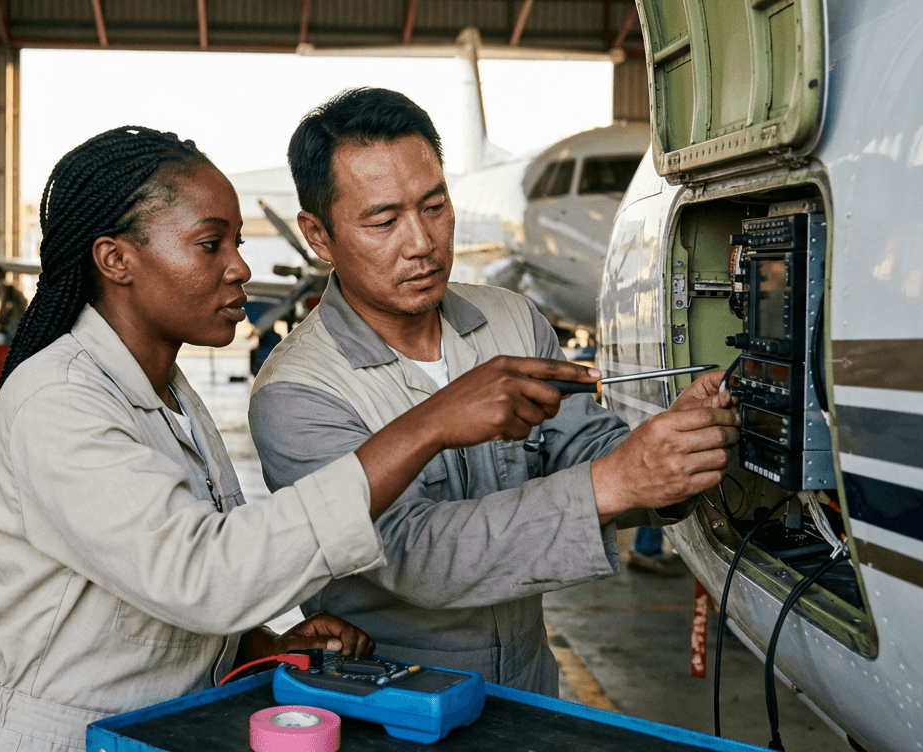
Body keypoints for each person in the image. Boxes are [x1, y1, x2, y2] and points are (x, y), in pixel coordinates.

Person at [0, 126, 599, 752]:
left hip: (151, 733)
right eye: (209, 245)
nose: (240, 267)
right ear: (116, 259)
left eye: (238, 241)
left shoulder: (169, 397)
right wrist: (428, 425)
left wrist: (260, 645)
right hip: (57, 748)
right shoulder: (60, 401)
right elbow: (202, 576)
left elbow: (139, 594)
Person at [249, 88, 738, 695]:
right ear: (318, 237)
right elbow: (412, 554)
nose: (422, 242)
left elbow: (585, 445)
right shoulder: (297, 394)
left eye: (434, 206)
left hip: (527, 692)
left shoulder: (513, 321)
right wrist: (618, 481)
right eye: (383, 221)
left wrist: (667, 458)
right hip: (392, 707)